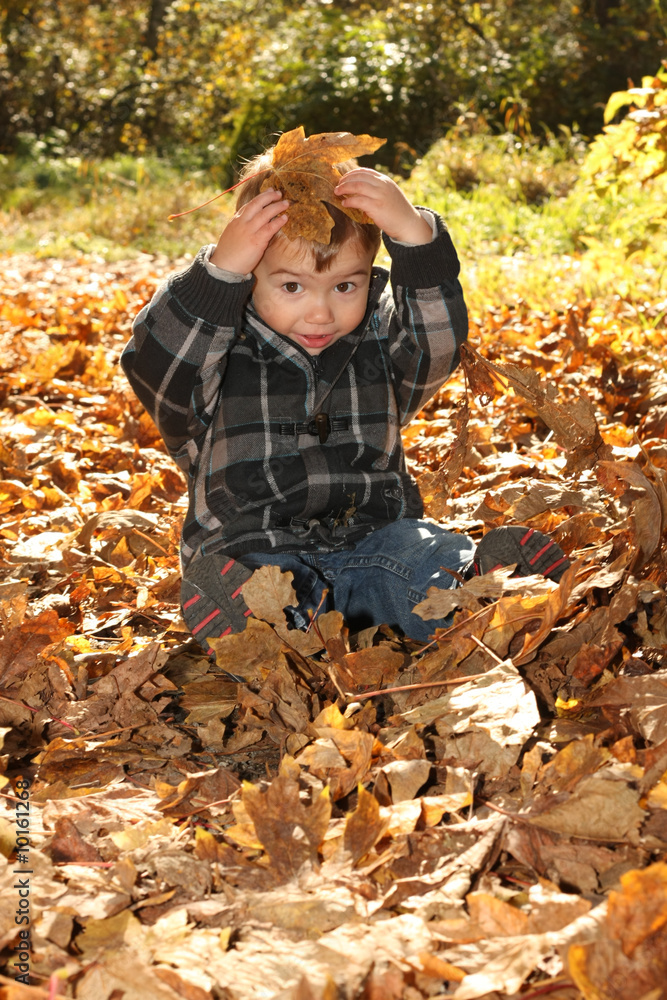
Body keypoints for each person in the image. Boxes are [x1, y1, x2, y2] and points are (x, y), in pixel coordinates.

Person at [121, 138, 569, 651]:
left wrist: (415, 239)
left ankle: (485, 589)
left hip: (375, 540)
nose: (320, 312)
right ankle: (257, 630)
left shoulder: (378, 343)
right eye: (292, 287)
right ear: (249, 278)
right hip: (257, 549)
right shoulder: (220, 355)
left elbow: (436, 344)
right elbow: (160, 369)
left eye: (344, 286)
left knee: (423, 559)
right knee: (263, 589)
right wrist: (215, 277)